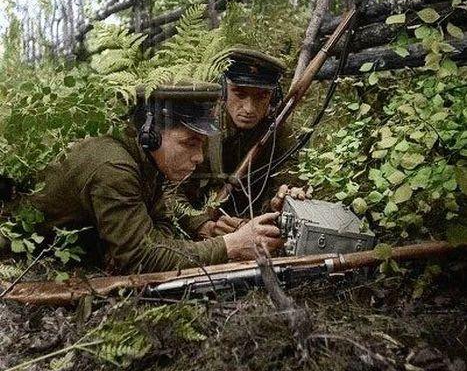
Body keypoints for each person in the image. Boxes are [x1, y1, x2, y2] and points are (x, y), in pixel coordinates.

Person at [19, 82, 282, 273]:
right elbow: (140, 258)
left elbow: (160, 222)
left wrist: (204, 229)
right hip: (20, 255)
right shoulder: (114, 167)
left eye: (202, 145)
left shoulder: (146, 157)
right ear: (150, 135)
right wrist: (230, 245)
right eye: (189, 143)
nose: (199, 158)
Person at [174, 48, 305, 239]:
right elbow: (169, 192)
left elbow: (287, 187)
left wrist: (279, 202)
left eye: (261, 96)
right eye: (240, 94)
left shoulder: (279, 133)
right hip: (195, 232)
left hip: (255, 229)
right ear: (223, 90)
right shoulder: (199, 125)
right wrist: (201, 225)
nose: (249, 108)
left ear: (273, 97)